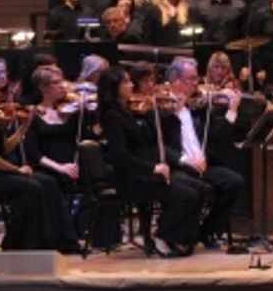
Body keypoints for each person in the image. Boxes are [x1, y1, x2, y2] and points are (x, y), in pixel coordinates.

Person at [0, 68, 80, 252]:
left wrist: (24, 126)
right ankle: (20, 243)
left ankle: (62, 241)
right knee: (31, 187)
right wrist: (16, 170)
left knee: (48, 182)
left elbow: (4, 148)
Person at [96, 66, 202, 256]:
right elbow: (120, 155)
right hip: (133, 178)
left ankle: (177, 237)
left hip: (144, 174)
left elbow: (149, 140)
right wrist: (153, 167)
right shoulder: (112, 116)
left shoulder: (126, 112)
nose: (131, 85)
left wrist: (172, 114)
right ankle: (162, 235)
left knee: (199, 189)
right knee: (188, 196)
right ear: (115, 87)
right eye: (126, 82)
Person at [164, 57, 244, 246]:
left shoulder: (197, 107)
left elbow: (216, 136)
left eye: (196, 78)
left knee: (234, 182)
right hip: (178, 166)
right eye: (191, 78)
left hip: (202, 165)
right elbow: (159, 144)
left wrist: (231, 111)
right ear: (175, 80)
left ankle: (207, 231)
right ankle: (179, 234)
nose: (196, 83)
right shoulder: (163, 108)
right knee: (197, 188)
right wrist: (185, 159)